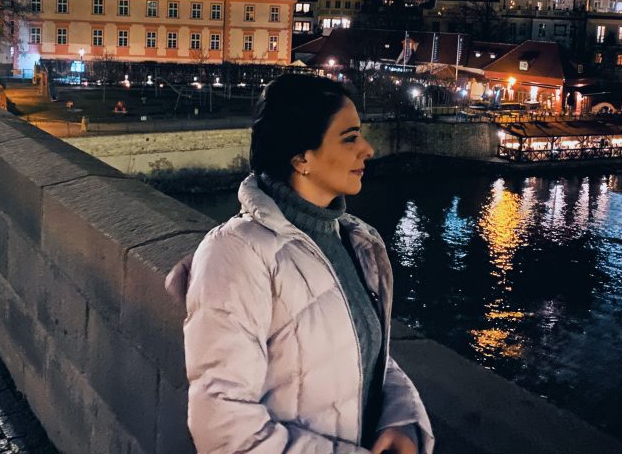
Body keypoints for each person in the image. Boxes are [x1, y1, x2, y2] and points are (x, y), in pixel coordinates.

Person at [175, 74, 434, 453]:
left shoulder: (354, 240)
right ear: (301, 158)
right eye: (350, 138)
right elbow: (222, 426)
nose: (368, 149)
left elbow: (366, 352)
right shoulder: (236, 253)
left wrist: (402, 420)